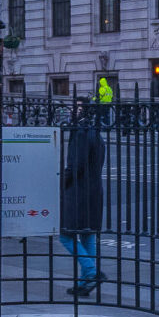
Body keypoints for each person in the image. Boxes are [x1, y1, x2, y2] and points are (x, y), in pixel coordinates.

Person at [60, 104, 104, 296]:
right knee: (88, 234)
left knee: (65, 235)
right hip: (94, 192)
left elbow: (75, 165)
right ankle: (85, 282)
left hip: (79, 192)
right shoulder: (95, 132)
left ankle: (91, 272)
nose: (71, 112)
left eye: (75, 109)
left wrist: (60, 182)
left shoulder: (80, 132)